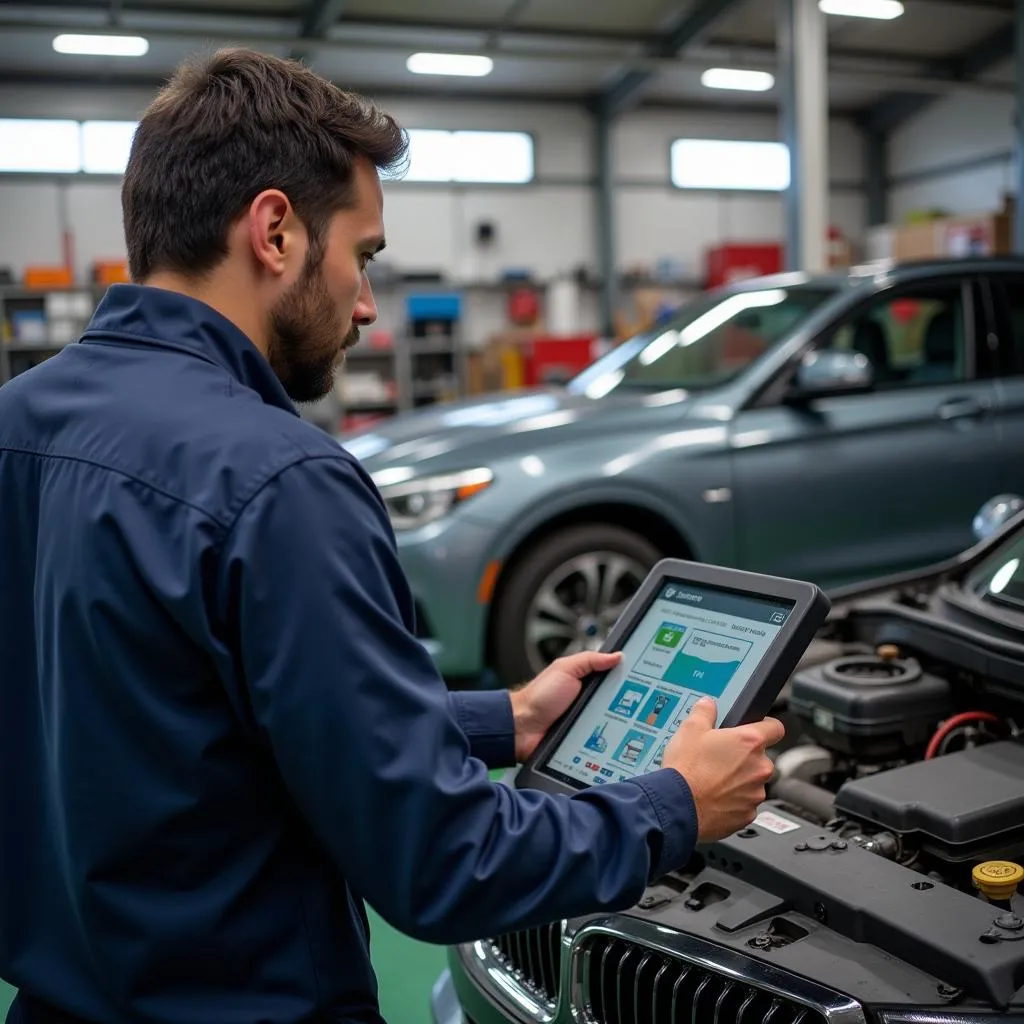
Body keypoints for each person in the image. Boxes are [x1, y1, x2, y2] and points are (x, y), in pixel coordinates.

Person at [0, 49, 783, 1024]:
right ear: (276, 231)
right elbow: (443, 862)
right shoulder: (279, 480)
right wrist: (673, 805)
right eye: (363, 257)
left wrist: (503, 720)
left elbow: (163, 713)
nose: (368, 305)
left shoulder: (18, 423)